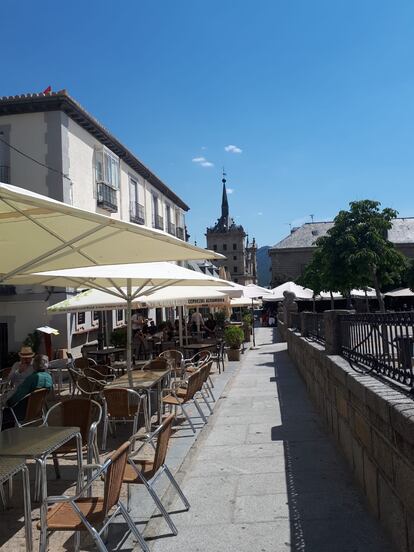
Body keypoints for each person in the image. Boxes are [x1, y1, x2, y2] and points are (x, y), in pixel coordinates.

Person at [2, 354, 53, 430]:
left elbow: (18, 396)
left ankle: (6, 435)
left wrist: (7, 403)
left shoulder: (32, 378)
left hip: (24, 412)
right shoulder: (49, 377)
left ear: (35, 365)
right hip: (37, 409)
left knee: (6, 410)